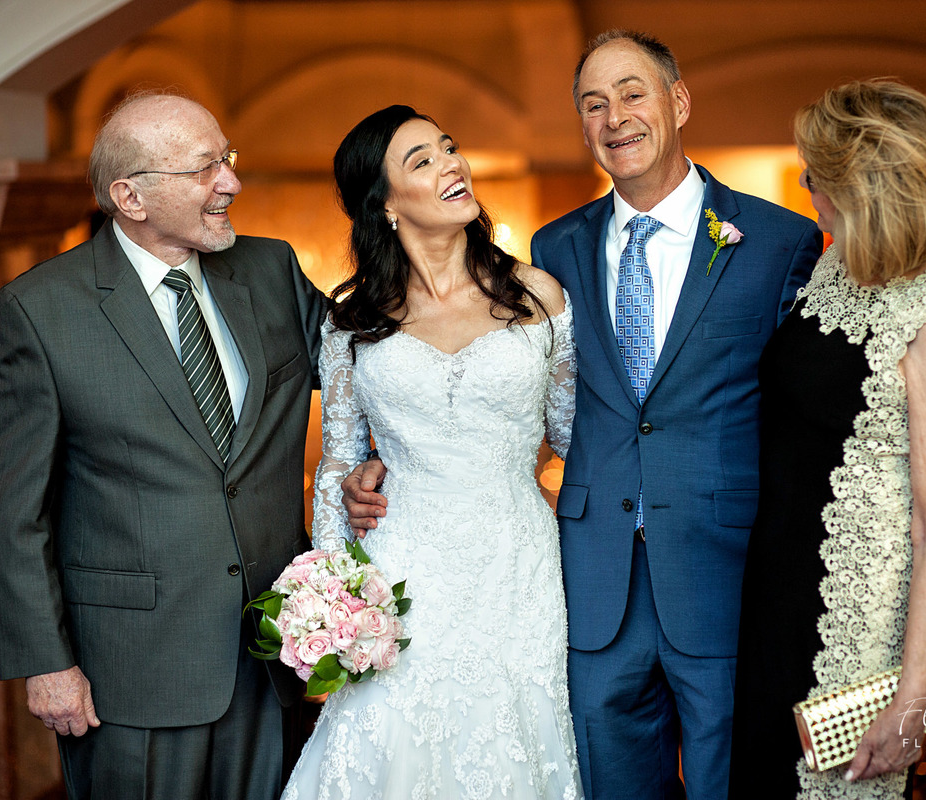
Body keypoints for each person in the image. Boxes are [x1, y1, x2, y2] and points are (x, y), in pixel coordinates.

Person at [343, 31, 822, 799]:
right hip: (585, 585)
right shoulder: (553, 251)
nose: (615, 117)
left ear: (679, 101)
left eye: (633, 93)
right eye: (593, 104)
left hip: (720, 571)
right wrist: (381, 463)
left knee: (729, 782)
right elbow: (544, 412)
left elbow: (806, 415)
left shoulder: (777, 240)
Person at [0, 93, 328, 799]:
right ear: (129, 196)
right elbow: (11, 512)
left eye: (226, 160)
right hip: (129, 677)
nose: (229, 182)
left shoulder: (273, 269)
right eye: (204, 169)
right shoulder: (38, 311)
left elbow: (371, 371)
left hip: (274, 659)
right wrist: (46, 663)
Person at [281, 105, 580, 799]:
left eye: (449, 147)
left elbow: (575, 438)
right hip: (402, 573)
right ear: (384, 206)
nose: (452, 163)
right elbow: (337, 460)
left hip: (517, 567)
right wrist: (334, 596)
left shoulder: (537, 295)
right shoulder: (352, 318)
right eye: (422, 160)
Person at [728, 79, 926, 798]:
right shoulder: (840, 259)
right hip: (774, 593)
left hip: (852, 623)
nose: (808, 187)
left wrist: (909, 704)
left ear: (869, 188)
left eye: (819, 176)